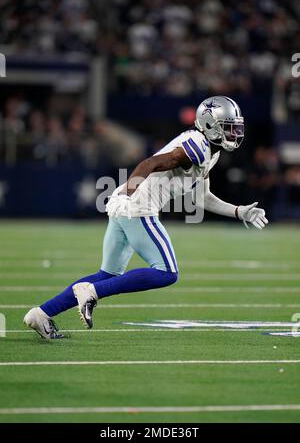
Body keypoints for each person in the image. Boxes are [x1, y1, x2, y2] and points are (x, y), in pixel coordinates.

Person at [24, 96, 268, 339]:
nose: (235, 132)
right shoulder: (198, 144)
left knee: (107, 275)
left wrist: (239, 211)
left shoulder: (208, 151)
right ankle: (91, 292)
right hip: (137, 206)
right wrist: (130, 195)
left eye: (236, 126)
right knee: (167, 272)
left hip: (125, 205)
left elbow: (202, 198)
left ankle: (42, 313)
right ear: (209, 124)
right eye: (228, 126)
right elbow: (150, 163)